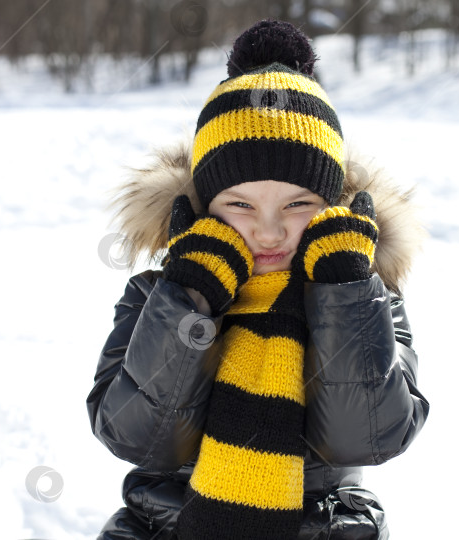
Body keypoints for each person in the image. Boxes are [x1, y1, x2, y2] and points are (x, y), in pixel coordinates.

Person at [86, 19, 430, 540]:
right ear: (205, 205)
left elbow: (367, 438)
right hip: (167, 527)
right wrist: (190, 298)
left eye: (297, 204)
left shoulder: (365, 295)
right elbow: (138, 438)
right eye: (241, 204)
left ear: (331, 204)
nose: (268, 231)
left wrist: (343, 293)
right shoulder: (158, 294)